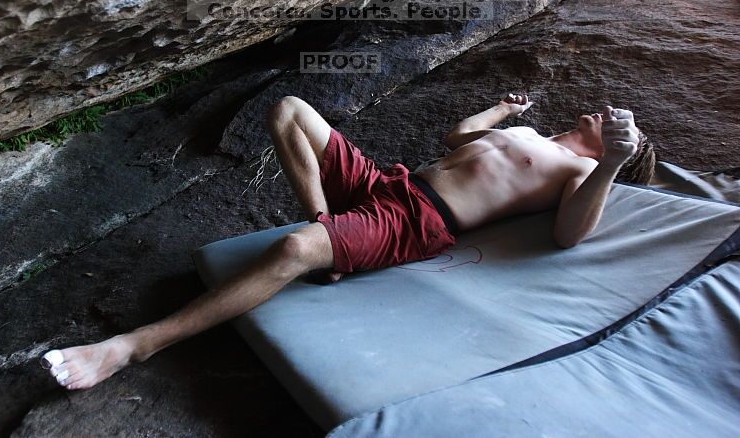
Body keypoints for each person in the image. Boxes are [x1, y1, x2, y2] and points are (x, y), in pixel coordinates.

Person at [41, 94, 655, 389]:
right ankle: (325, 223)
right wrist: (499, 111)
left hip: (419, 220)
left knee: (292, 251)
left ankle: (129, 347)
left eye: (615, 121)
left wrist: (613, 164)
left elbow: (570, 234)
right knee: (288, 110)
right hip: (391, 183)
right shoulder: (533, 134)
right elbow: (454, 136)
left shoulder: (583, 172)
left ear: (621, 148)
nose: (603, 111)